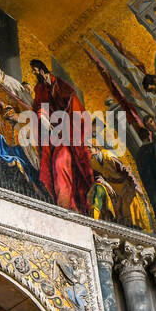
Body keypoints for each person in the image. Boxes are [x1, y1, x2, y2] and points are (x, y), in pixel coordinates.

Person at [30, 60, 94, 213]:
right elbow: (39, 107)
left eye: (34, 70)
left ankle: (69, 206)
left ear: (41, 69)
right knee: (57, 165)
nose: (33, 73)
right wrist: (42, 117)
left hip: (70, 131)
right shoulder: (40, 88)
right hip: (55, 136)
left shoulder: (58, 83)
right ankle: (66, 205)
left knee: (62, 163)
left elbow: (72, 102)